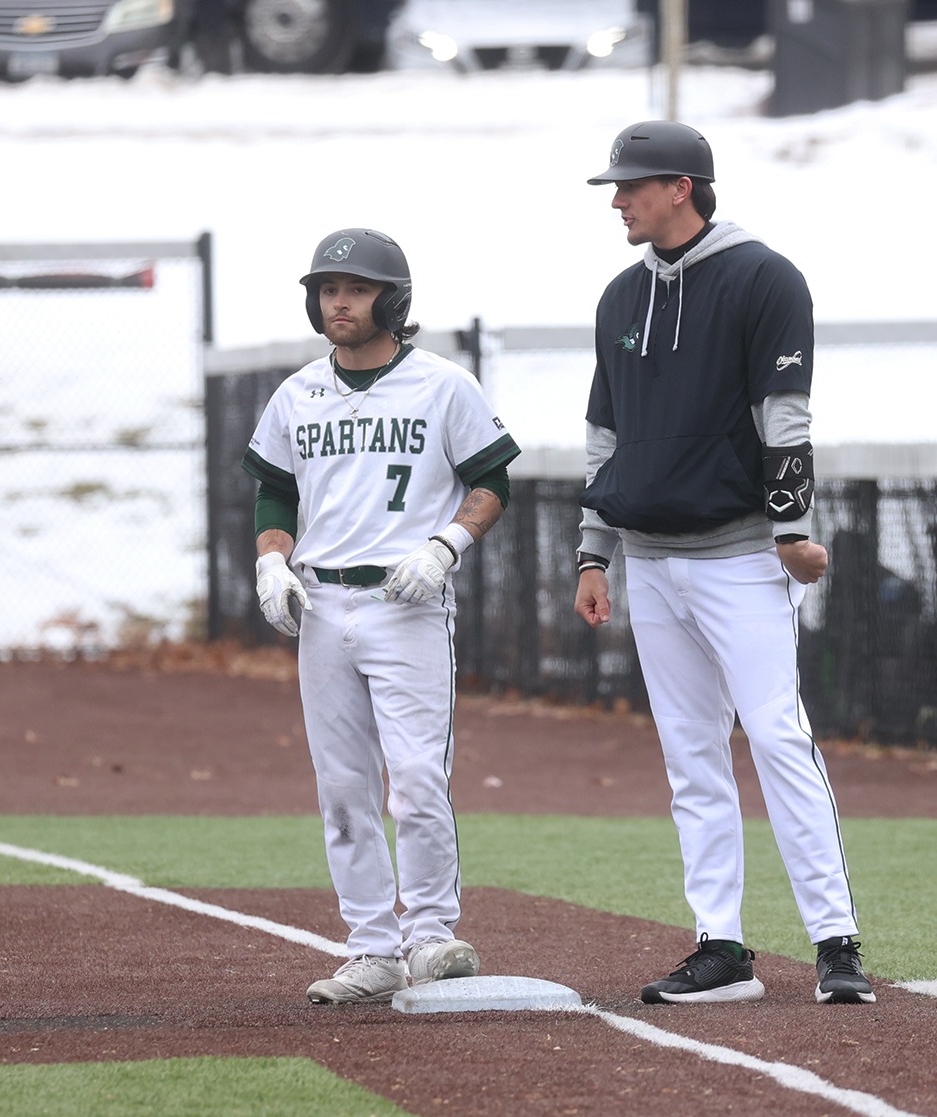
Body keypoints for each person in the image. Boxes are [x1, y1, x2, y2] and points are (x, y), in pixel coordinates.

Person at [571, 120, 872, 1006]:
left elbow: (786, 415)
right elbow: (603, 435)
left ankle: (836, 941)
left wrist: (791, 531)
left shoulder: (764, 276)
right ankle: (722, 946)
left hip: (742, 554)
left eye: (629, 186)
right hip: (650, 565)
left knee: (778, 735)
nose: (617, 200)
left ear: (682, 187)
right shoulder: (620, 295)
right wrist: (595, 554)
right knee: (691, 755)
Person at [240, 228, 521, 1004]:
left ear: (390, 299)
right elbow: (274, 489)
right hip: (323, 606)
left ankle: (432, 933)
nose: (339, 301)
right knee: (342, 785)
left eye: (355, 289)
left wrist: (443, 547)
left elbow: (494, 478)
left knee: (419, 777)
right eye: (328, 289)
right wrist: (272, 559)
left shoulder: (442, 384)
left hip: (408, 603)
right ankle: (371, 944)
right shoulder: (297, 392)